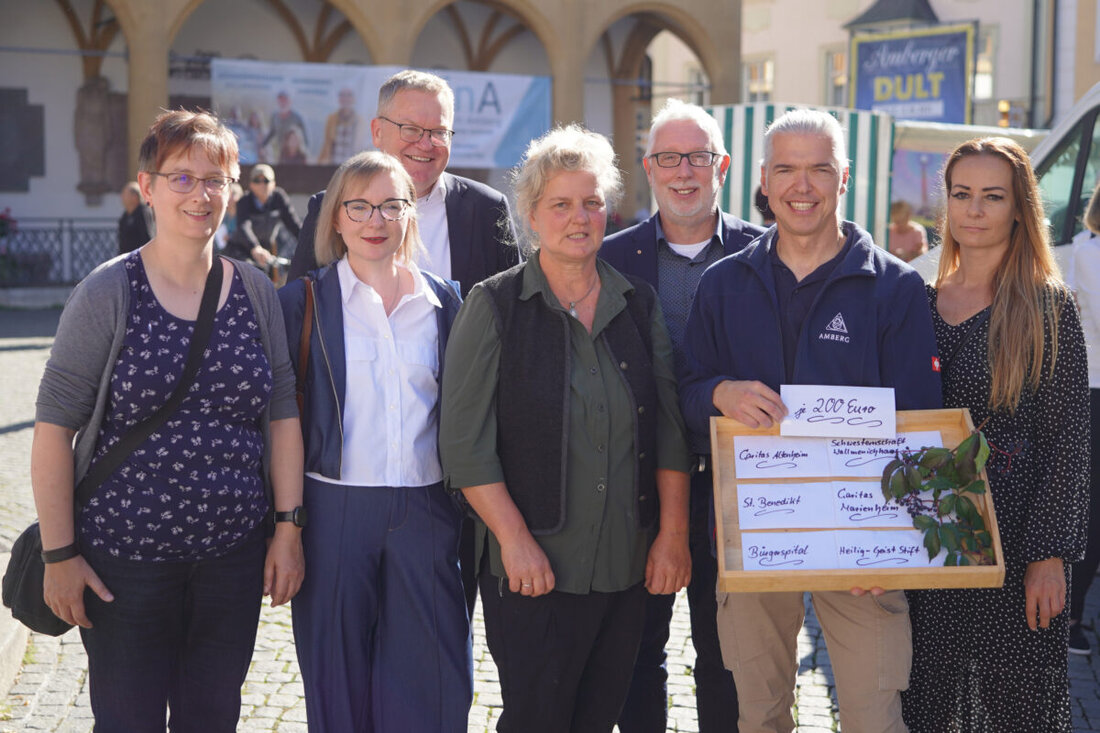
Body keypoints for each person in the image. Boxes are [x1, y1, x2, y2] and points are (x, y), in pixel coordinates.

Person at [31, 109, 305, 730]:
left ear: (233, 190)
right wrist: (59, 554)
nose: (200, 194)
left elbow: (282, 412)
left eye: (215, 178)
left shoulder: (256, 291)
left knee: (212, 719)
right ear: (148, 186)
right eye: (180, 178)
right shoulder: (108, 291)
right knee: (127, 721)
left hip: (230, 561)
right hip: (123, 565)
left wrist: (287, 527)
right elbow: (53, 430)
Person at [680, 108, 942, 733]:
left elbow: (920, 422)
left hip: (865, 550)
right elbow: (683, 392)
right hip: (755, 534)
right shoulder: (723, 283)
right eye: (788, 170)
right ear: (763, 182)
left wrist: (891, 545)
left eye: (819, 168)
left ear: (843, 178)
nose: (803, 186)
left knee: (874, 718)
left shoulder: (895, 288)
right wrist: (721, 391)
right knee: (760, 715)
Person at [440, 125, 692, 732]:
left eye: (592, 202)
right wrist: (514, 541)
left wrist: (673, 535)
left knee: (599, 719)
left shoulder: (638, 304)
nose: (579, 218)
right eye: (561, 204)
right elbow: (463, 445)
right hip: (532, 571)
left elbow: (669, 432)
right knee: (536, 720)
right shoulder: (494, 304)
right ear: (531, 214)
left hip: (625, 569)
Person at [288, 68, 519, 616]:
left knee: (437, 632)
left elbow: (512, 333)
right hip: (349, 475)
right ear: (376, 131)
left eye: (438, 132)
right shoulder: (332, 206)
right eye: (409, 128)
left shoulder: (485, 211)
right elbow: (300, 327)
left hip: (455, 480)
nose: (425, 143)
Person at [902, 138, 1089, 732]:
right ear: (947, 205)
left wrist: (1049, 556)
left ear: (1018, 208)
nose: (975, 210)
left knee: (1015, 710)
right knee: (926, 702)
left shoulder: (1045, 307)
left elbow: (1067, 440)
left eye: (992, 196)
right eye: (962, 195)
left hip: (1015, 545)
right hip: (925, 542)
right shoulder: (916, 300)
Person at [279, 151, 469, 731]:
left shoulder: (445, 303)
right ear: (335, 218)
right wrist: (285, 525)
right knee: (337, 678)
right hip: (334, 511)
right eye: (358, 206)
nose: (375, 219)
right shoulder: (303, 302)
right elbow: (277, 418)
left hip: (428, 510)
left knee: (434, 682)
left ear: (410, 215)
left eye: (392, 205)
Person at [601, 98, 764, 733]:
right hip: (636, 484)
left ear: (721, 165)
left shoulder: (766, 254)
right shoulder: (612, 258)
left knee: (727, 657)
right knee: (636, 653)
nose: (683, 172)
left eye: (697, 157)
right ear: (648, 168)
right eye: (668, 158)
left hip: (741, 485)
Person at [1067, 181, 1100, 655]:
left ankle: (1072, 615)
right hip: (1092, 388)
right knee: (1090, 511)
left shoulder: (1079, 250)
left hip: (1088, 387)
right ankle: (1070, 616)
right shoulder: (1086, 255)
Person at [226, 164, 302, 273]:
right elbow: (244, 227)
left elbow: (294, 224)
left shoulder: (279, 197)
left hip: (267, 250)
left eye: (266, 181)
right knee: (248, 274)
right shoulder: (244, 201)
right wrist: (255, 248)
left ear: (274, 184)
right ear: (251, 185)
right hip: (242, 249)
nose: (262, 185)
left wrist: (308, 243)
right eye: (257, 181)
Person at [318, 87, 366, 165]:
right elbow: (326, 145)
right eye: (342, 95)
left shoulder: (360, 122)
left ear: (353, 99)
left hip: (351, 168)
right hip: (332, 166)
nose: (345, 98)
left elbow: (361, 147)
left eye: (349, 95)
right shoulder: (331, 119)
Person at [262, 91, 308, 161]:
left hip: (294, 154)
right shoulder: (275, 117)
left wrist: (306, 151)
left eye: (284, 100)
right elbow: (271, 133)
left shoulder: (297, 118)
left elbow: (305, 137)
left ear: (289, 102)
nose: (283, 103)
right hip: (281, 152)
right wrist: (263, 145)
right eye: (280, 100)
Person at [117, 180, 154, 254]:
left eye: (125, 194)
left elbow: (147, 238)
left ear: (134, 197)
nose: (122, 197)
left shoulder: (143, 212)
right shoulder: (125, 215)